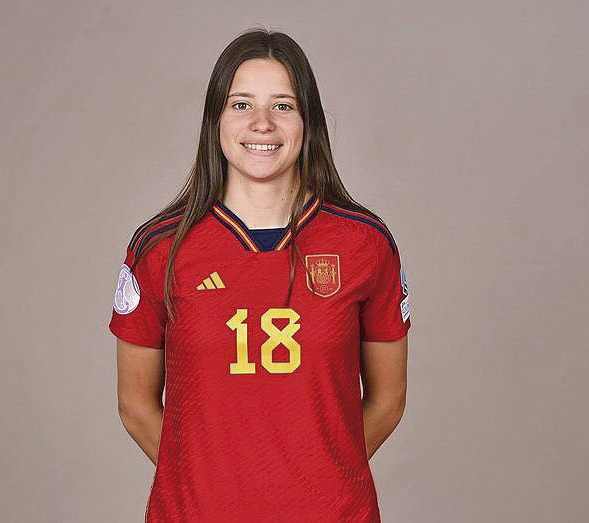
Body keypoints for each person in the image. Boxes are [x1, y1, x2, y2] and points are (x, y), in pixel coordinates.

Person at [109, 28, 412, 522]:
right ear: (216, 120)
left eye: (284, 106)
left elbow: (389, 400)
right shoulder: (160, 247)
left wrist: (317, 477)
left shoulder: (364, 244)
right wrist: (212, 484)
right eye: (242, 104)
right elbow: (135, 406)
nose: (263, 124)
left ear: (308, 120)